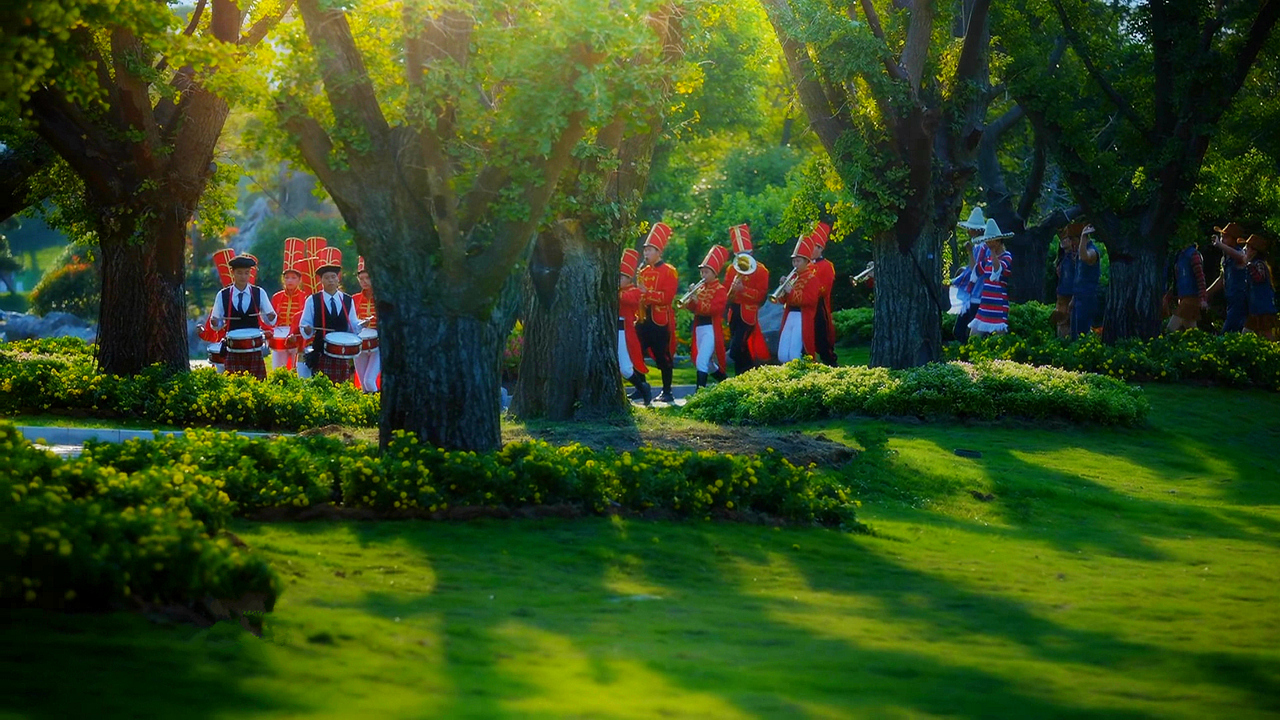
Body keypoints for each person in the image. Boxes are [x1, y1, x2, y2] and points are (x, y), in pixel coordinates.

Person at [209, 254, 276, 380]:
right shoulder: (223, 295)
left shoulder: (259, 292)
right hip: (233, 349)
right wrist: (215, 322)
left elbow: (270, 320)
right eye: (239, 273)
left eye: (246, 273)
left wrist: (271, 316)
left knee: (258, 384)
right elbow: (217, 325)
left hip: (254, 348)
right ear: (232, 273)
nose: (243, 277)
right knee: (234, 384)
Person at [299, 257, 361, 384]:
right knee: (322, 388)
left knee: (341, 388)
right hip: (321, 351)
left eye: (333, 277)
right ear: (321, 280)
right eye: (326, 278)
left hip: (342, 353)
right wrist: (306, 329)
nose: (330, 280)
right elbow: (304, 324)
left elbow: (353, 326)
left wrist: (361, 325)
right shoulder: (312, 300)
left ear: (338, 278)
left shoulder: (348, 300)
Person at [636, 223, 679, 403]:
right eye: (645, 251)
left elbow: (668, 297)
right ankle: (641, 387)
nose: (646, 254)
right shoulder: (643, 271)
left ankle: (667, 391)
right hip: (643, 318)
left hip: (660, 319)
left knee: (663, 355)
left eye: (650, 250)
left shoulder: (670, 271)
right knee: (636, 351)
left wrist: (647, 294)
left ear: (658, 252)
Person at [723, 224, 770, 375]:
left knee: (736, 349)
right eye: (739, 254)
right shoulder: (732, 269)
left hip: (748, 314)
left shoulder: (761, 270)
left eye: (745, 253)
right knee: (740, 351)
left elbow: (760, 296)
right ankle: (743, 378)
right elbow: (726, 292)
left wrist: (744, 290)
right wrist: (731, 291)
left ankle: (752, 372)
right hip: (734, 313)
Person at [684, 245, 730, 392]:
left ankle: (699, 394)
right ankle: (728, 383)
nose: (703, 275)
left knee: (701, 361)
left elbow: (715, 309)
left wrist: (698, 301)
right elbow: (692, 308)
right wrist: (691, 298)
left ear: (714, 273)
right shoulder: (701, 289)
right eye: (702, 272)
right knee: (709, 365)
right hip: (699, 328)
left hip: (711, 329)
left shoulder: (720, 289)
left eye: (706, 272)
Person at [775, 234, 822, 363]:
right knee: (782, 354)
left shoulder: (812, 279)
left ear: (806, 262)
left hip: (802, 316)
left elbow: (810, 300)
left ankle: (801, 376)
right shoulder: (793, 277)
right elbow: (782, 301)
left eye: (798, 261)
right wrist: (782, 290)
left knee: (794, 354)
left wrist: (791, 291)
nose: (795, 264)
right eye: (794, 261)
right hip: (789, 315)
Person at [617, 248, 652, 405]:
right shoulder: (622, 290)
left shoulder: (634, 291)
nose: (618, 280)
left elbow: (626, 300)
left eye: (622, 277)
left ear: (629, 278)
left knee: (625, 368)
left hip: (624, 331)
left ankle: (643, 388)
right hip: (615, 330)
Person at [968, 220, 1013, 339]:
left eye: (990, 240)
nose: (987, 243)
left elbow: (998, 269)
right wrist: (969, 253)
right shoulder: (988, 259)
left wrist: (993, 251)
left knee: (999, 339)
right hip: (985, 306)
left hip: (998, 305)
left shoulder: (1006, 256)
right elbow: (975, 270)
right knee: (973, 337)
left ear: (998, 241)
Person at [950, 207, 988, 342]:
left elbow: (974, 270)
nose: (968, 231)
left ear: (977, 230)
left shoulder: (981, 247)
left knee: (963, 332)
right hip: (974, 295)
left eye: (970, 228)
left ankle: (968, 357)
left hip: (977, 296)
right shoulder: (980, 245)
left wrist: (970, 253)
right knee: (963, 331)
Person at [1208, 222, 1249, 333]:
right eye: (1221, 236)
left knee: (1227, 332)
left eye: (1225, 237)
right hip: (1231, 300)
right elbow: (1222, 279)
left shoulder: (1239, 254)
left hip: (1239, 300)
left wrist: (1220, 245)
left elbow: (1242, 258)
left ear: (1234, 240)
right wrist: (1206, 293)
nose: (1222, 239)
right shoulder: (1226, 258)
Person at [809, 218, 839, 366]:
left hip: (819, 307)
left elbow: (824, 289)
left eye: (813, 246)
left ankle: (832, 367)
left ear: (820, 249)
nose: (809, 249)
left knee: (822, 341)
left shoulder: (827, 266)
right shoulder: (804, 265)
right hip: (805, 306)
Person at [270, 262, 308, 372]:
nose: (290, 281)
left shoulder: (305, 297)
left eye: (293, 278)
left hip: (298, 337)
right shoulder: (277, 297)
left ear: (299, 280)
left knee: (297, 370)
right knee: (278, 369)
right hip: (280, 337)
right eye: (287, 278)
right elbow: (271, 320)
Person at [1166, 238, 1208, 332]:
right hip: (1183, 297)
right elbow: (1178, 278)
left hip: (1192, 297)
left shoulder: (1193, 254)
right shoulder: (1179, 255)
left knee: (1171, 329)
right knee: (1190, 329)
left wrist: (1203, 298)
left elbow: (1200, 278)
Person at [352, 256, 380, 393]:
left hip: (378, 345)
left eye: (367, 278)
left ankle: (379, 407)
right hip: (360, 345)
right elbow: (350, 321)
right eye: (361, 279)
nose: (364, 282)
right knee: (363, 384)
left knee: (369, 381)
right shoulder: (354, 299)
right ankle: (368, 411)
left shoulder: (381, 297)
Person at [1052, 223, 1083, 338]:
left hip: (1070, 295)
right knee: (1061, 324)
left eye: (1066, 239)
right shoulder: (1061, 258)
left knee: (1070, 324)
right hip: (1061, 295)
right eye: (1062, 239)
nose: (1064, 241)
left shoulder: (1075, 258)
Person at [1243, 234, 1277, 340]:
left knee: (1266, 334)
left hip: (1263, 307)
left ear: (1254, 251)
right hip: (1255, 308)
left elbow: (1260, 278)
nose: (1245, 250)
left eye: (1247, 248)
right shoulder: (1253, 264)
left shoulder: (1259, 264)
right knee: (1249, 332)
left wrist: (1249, 265)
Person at [1071, 225, 1102, 338]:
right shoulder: (1079, 251)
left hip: (1087, 297)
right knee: (1074, 332)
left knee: (1083, 332)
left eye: (1073, 239)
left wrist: (1083, 236)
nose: (1072, 243)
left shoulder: (1092, 251)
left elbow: (1085, 257)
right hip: (1078, 297)